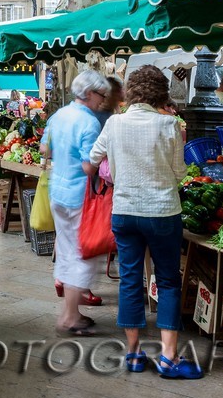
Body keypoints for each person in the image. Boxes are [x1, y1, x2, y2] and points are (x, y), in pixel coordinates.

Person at [86, 66, 194, 378]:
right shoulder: (169, 124)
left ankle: (133, 355)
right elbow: (179, 173)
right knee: (168, 280)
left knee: (131, 281)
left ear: (132, 92)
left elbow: (93, 161)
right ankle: (169, 358)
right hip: (162, 213)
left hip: (125, 211)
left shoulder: (115, 123)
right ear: (161, 93)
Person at [40, 71, 111, 336]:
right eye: (101, 96)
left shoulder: (59, 115)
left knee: (69, 250)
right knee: (83, 254)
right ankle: (69, 316)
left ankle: (71, 313)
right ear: (90, 93)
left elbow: (43, 149)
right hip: (78, 197)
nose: (102, 102)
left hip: (57, 191)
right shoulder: (89, 122)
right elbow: (87, 166)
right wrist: (102, 158)